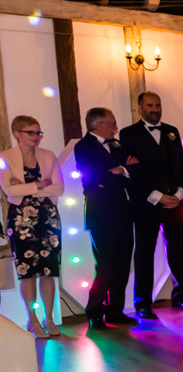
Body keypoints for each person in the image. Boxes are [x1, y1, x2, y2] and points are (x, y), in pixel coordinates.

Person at [119, 91, 183, 319]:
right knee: (144, 253)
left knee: (178, 250)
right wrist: (157, 196)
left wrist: (180, 193)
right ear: (140, 107)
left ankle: (181, 296)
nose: (155, 109)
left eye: (158, 105)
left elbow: (180, 164)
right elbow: (132, 171)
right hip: (146, 205)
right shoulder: (128, 134)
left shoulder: (172, 131)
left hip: (175, 203)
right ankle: (142, 303)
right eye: (150, 105)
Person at [74, 108, 138, 330]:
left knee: (122, 264)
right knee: (105, 265)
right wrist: (118, 172)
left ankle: (115, 311)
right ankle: (94, 311)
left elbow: (133, 170)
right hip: (101, 215)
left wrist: (120, 171)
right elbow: (92, 179)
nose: (116, 127)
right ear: (98, 124)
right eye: (112, 123)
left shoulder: (117, 145)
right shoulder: (83, 146)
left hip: (124, 214)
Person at [0, 116, 64, 338]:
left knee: (49, 270)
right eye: (31, 133)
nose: (37, 137)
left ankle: (49, 318)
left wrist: (25, 186)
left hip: (49, 218)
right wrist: (39, 184)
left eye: (39, 133)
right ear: (17, 133)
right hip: (20, 219)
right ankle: (33, 320)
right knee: (27, 272)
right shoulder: (4, 157)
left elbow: (59, 187)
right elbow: (10, 191)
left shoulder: (48, 156)